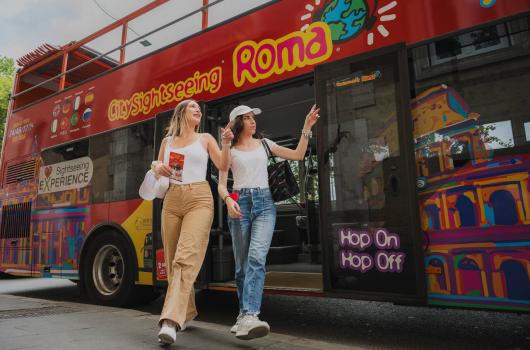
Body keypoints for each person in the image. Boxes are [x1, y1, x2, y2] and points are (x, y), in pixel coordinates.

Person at [218, 104, 320, 340]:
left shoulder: (265, 144)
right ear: (237, 123)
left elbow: (298, 155)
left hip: (265, 204)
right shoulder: (230, 150)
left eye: (254, 118)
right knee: (242, 266)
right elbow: (223, 182)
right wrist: (228, 200)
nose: (253, 121)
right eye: (248, 118)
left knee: (256, 258)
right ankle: (243, 316)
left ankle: (251, 315)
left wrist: (306, 127)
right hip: (238, 202)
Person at [153, 99, 233, 345]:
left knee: (185, 257)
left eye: (199, 108)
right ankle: (186, 312)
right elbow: (157, 168)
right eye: (192, 107)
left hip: (199, 198)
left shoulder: (206, 138)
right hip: (171, 200)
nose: (198, 109)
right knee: (171, 259)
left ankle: (170, 321)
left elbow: (222, 164)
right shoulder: (167, 142)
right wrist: (157, 166)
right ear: (181, 113)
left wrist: (227, 143)